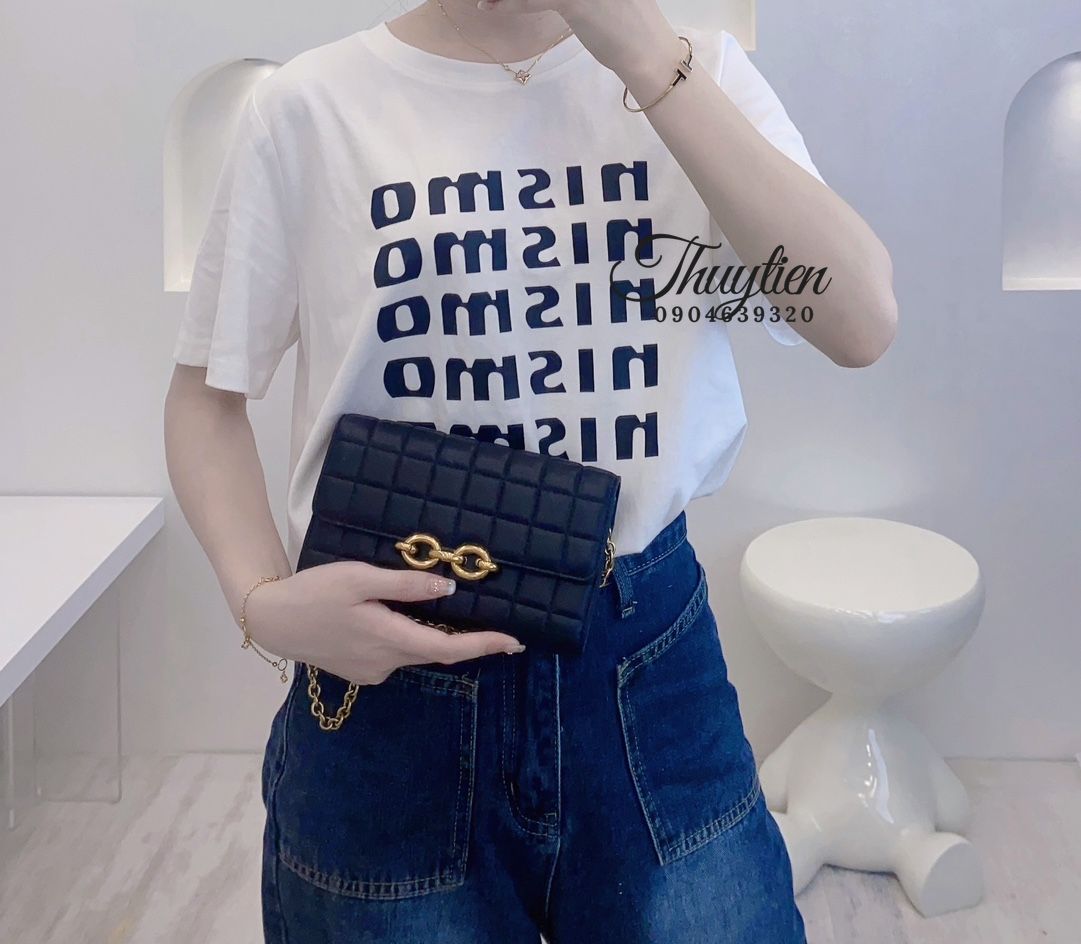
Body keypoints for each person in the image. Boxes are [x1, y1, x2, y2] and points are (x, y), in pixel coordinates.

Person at [164, 1, 897, 941]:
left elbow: (857, 321)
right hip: (391, 676)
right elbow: (206, 399)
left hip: (644, 660)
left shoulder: (694, 71)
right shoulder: (311, 105)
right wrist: (260, 602)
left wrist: (644, 56)